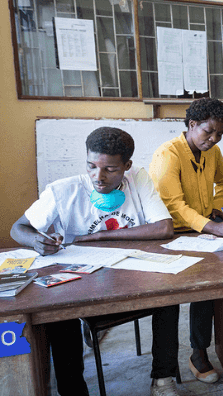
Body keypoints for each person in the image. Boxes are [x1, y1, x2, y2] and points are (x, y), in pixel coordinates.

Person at [11, 127, 180, 396]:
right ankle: (73, 390)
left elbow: (164, 228)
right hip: (78, 284)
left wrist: (100, 235)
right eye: (91, 166)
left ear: (127, 166)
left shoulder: (138, 179)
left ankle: (163, 378)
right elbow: (18, 228)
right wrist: (35, 241)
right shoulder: (63, 191)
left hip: (129, 279)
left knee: (169, 300)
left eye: (110, 170)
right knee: (58, 313)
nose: (97, 177)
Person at [149, 98, 223, 385]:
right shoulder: (168, 154)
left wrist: (214, 207)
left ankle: (198, 352)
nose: (213, 139)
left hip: (201, 232)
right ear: (191, 125)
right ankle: (163, 372)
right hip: (169, 234)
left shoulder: (212, 152)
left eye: (220, 134)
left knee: (207, 290)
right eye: (208, 132)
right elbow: (174, 206)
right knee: (168, 301)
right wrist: (211, 225)